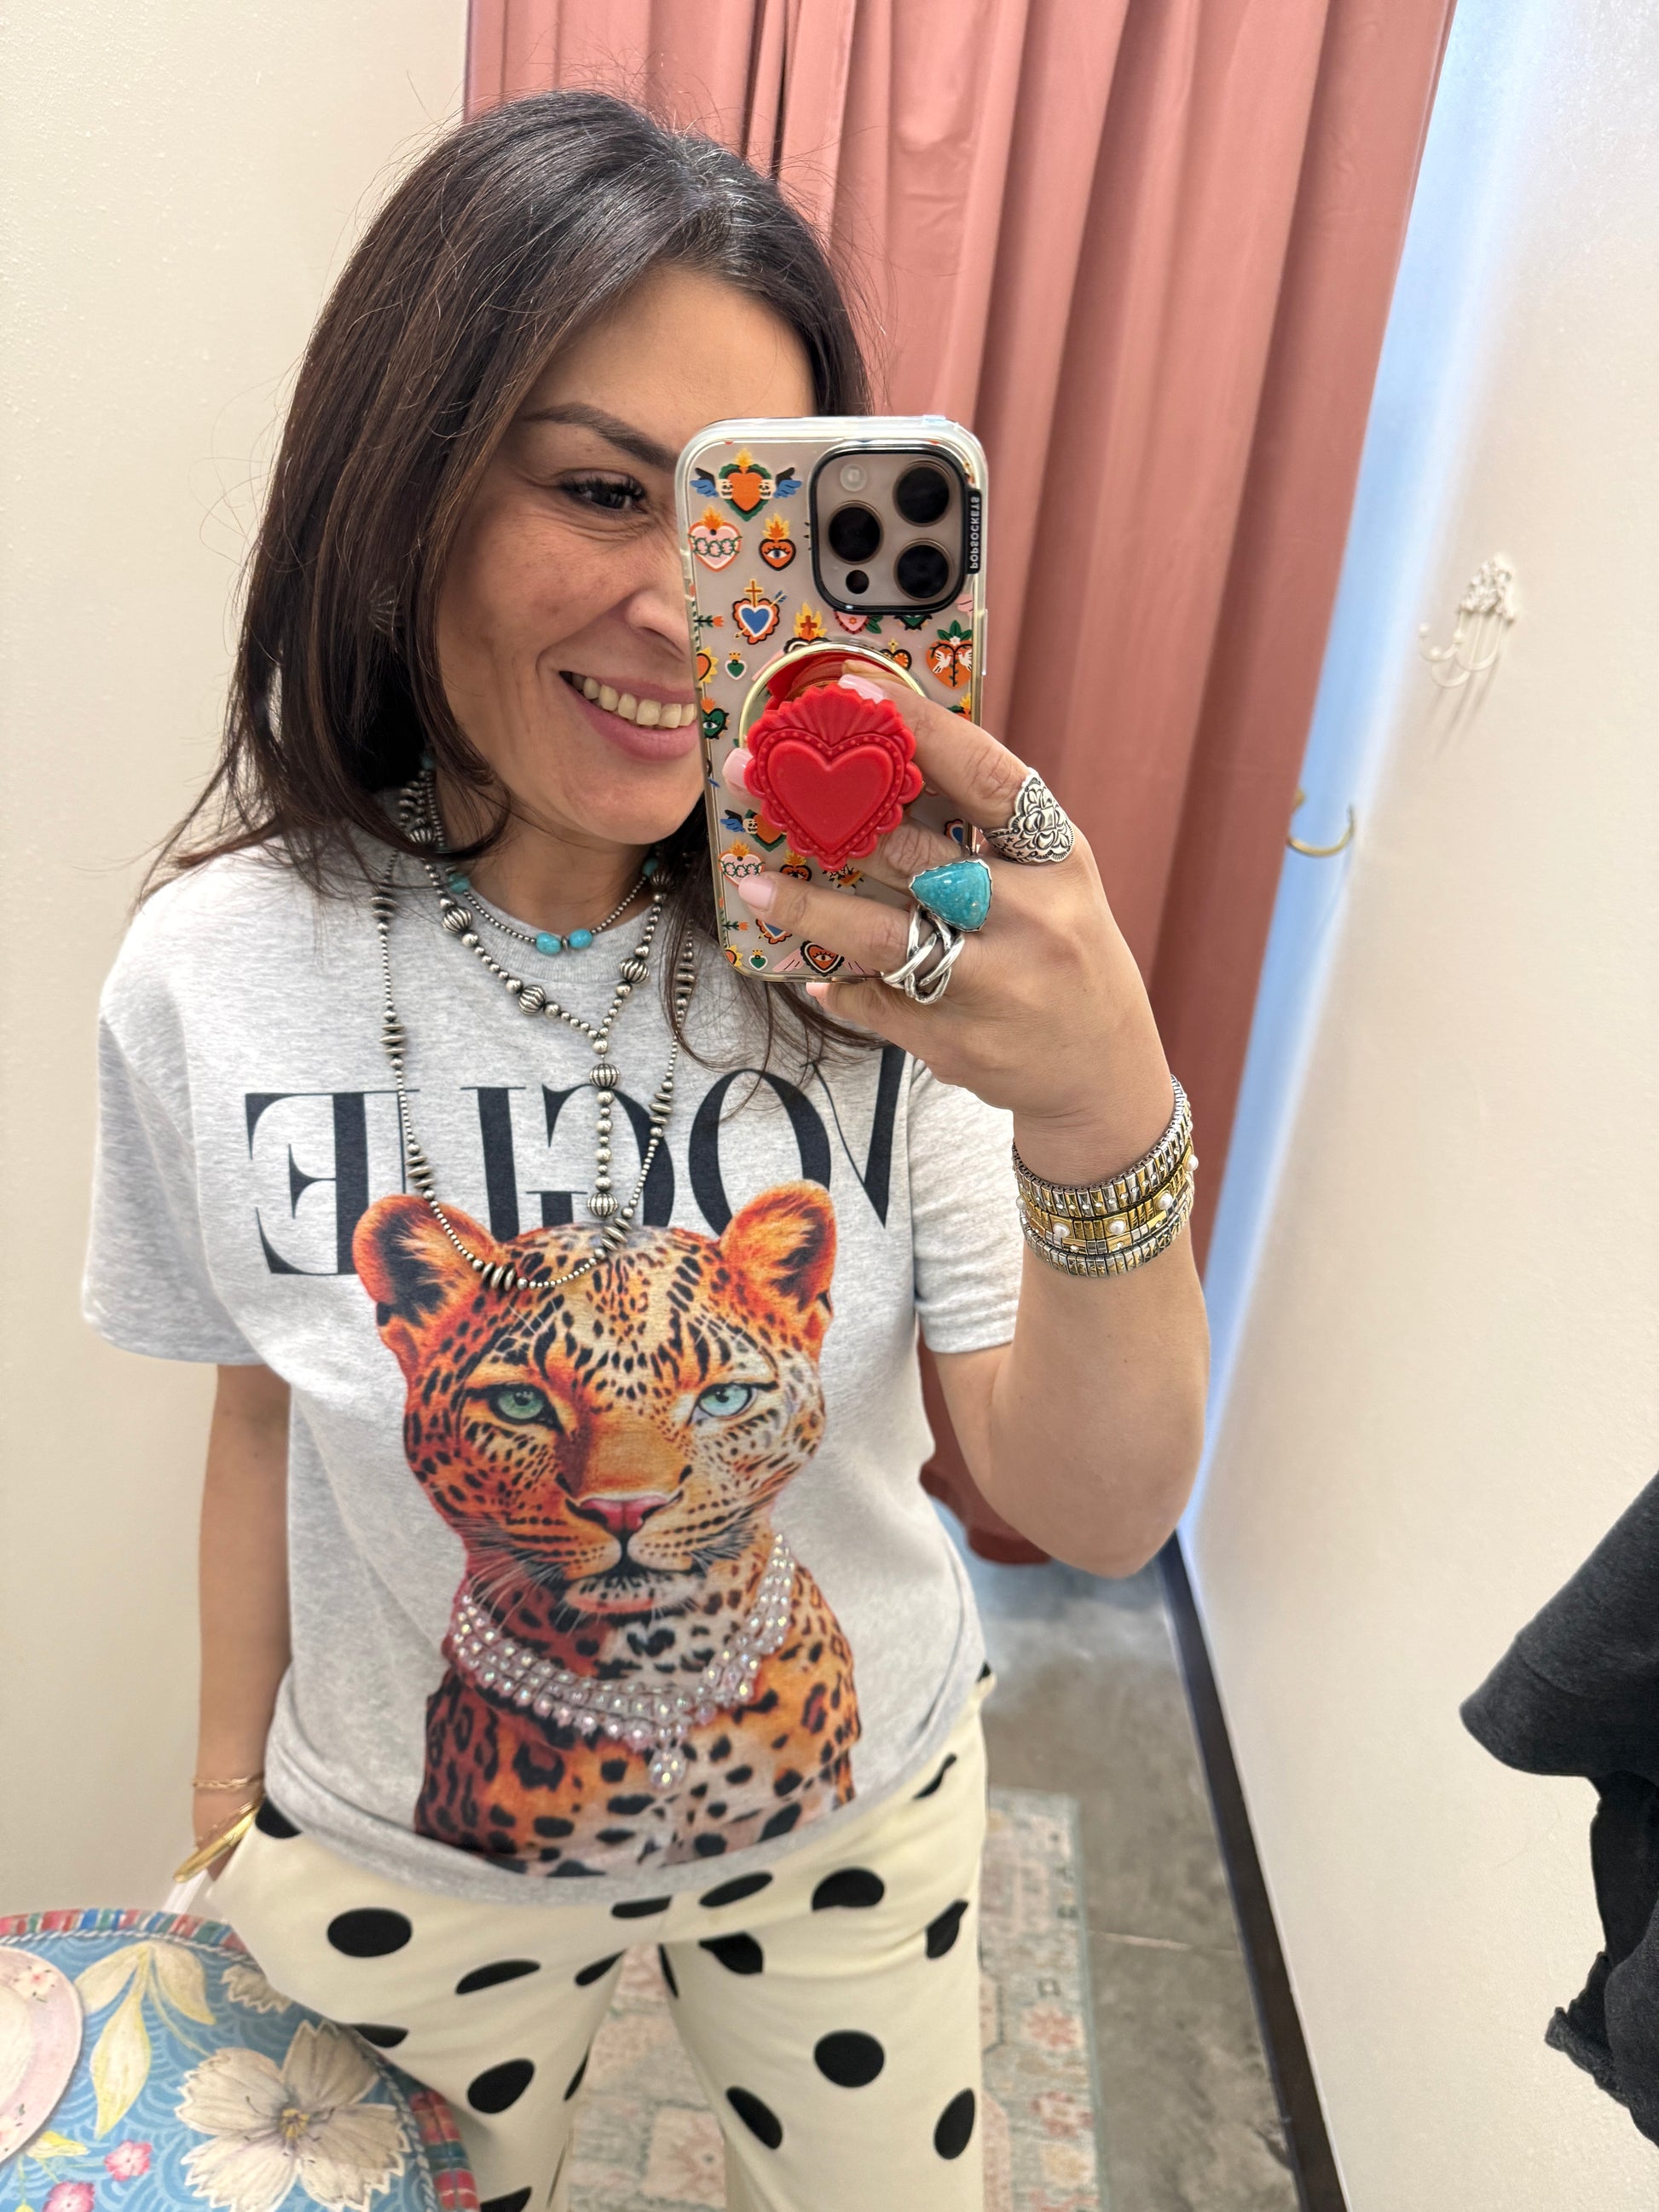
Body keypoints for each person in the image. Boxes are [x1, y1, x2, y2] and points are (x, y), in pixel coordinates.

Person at [84, 90, 1208, 2212]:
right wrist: (226, 1794)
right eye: (605, 489)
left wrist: (1101, 1108)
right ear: (404, 484)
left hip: (846, 1798)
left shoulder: (893, 946)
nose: (689, 615)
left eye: (744, 524)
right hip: (408, 1828)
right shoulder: (209, 978)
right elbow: (263, 1410)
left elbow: (1095, 1503)